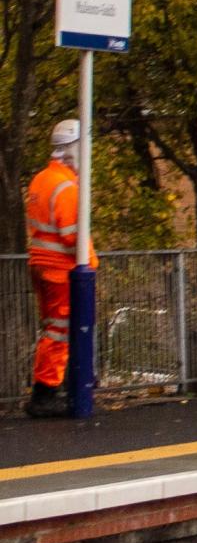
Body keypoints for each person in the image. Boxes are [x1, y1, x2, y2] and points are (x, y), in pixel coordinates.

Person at [23, 120, 95, 418]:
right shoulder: (66, 187)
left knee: (52, 330)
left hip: (41, 264)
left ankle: (50, 388)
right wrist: (90, 266)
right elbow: (73, 236)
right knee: (60, 332)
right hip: (61, 270)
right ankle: (46, 392)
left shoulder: (41, 180)